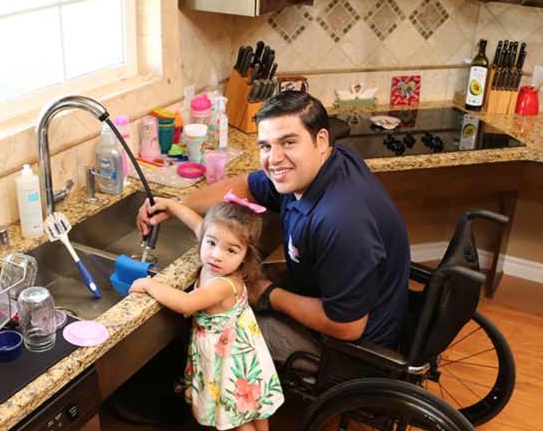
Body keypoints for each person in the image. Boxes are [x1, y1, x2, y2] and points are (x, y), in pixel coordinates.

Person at [138, 90, 410, 362]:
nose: (274, 159)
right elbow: (248, 185)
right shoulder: (323, 165)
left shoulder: (341, 220)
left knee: (223, 330)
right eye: (266, 146)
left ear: (321, 140)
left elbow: (348, 326)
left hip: (351, 352)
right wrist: (177, 203)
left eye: (289, 142)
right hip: (326, 295)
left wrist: (268, 294)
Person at [130, 192, 284, 431]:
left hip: (232, 366)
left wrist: (150, 284)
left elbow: (186, 304)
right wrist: (172, 206)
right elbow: (199, 225)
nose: (215, 255)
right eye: (210, 244)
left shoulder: (222, 284)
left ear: (246, 256)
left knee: (242, 421)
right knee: (258, 410)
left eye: (230, 250)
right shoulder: (221, 256)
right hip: (247, 356)